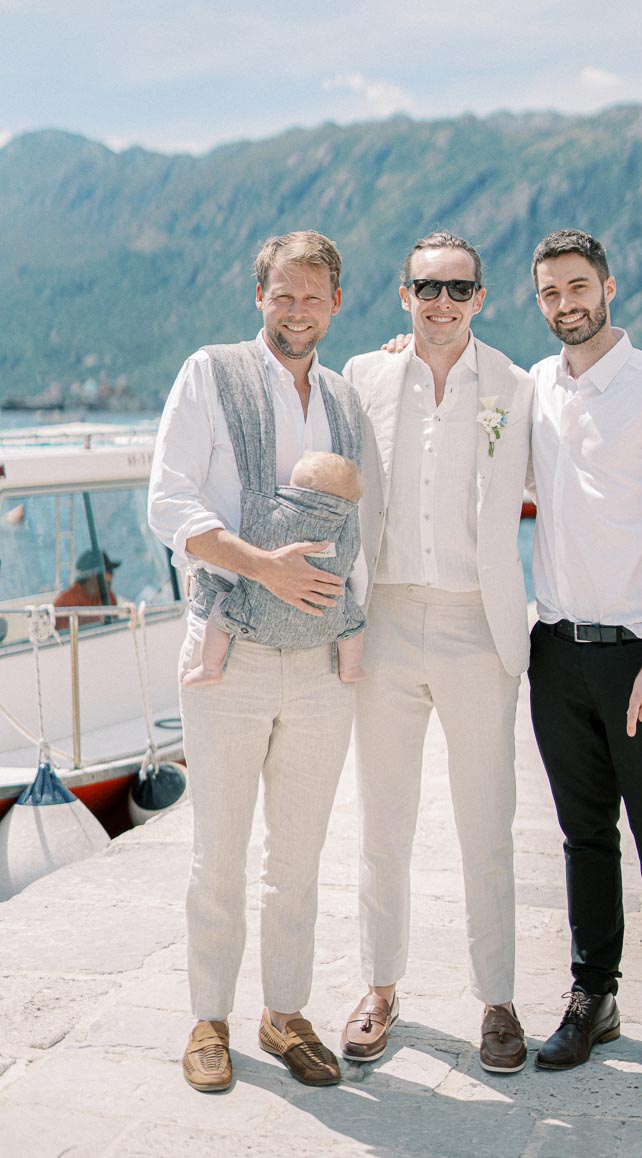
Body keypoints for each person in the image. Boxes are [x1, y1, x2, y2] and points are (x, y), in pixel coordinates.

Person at [148, 230, 380, 1094]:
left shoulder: (346, 399)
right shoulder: (209, 372)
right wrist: (262, 566)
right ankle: (208, 1020)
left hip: (319, 662)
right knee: (220, 851)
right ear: (259, 297)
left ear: (337, 304)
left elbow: (364, 525)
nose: (296, 310)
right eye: (282, 294)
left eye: (313, 296)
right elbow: (169, 500)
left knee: (300, 855)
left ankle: (284, 1014)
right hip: (232, 651)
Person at [527, 228, 642, 1095]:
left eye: (578, 287)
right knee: (583, 838)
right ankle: (593, 999)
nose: (566, 304)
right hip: (556, 653)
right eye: (550, 293)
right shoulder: (534, 389)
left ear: (609, 287)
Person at [342, 231, 534, 1074]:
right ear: (403, 294)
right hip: (383, 616)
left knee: (486, 822)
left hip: (477, 622)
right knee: (383, 819)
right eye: (427, 287)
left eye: (458, 289)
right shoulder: (365, 376)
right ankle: (381, 988)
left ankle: (497, 999)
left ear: (482, 298)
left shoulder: (519, 388)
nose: (442, 303)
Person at [183, 450, 367, 687]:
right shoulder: (346, 532)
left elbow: (245, 543)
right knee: (354, 625)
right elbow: (358, 572)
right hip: (325, 616)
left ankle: (210, 668)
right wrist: (354, 601)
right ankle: (350, 668)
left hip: (257, 617)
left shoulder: (272, 515)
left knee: (220, 613)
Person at [53, 548, 120, 632]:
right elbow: (64, 638)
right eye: (109, 571)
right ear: (93, 574)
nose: (112, 576)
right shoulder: (66, 602)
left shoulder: (109, 597)